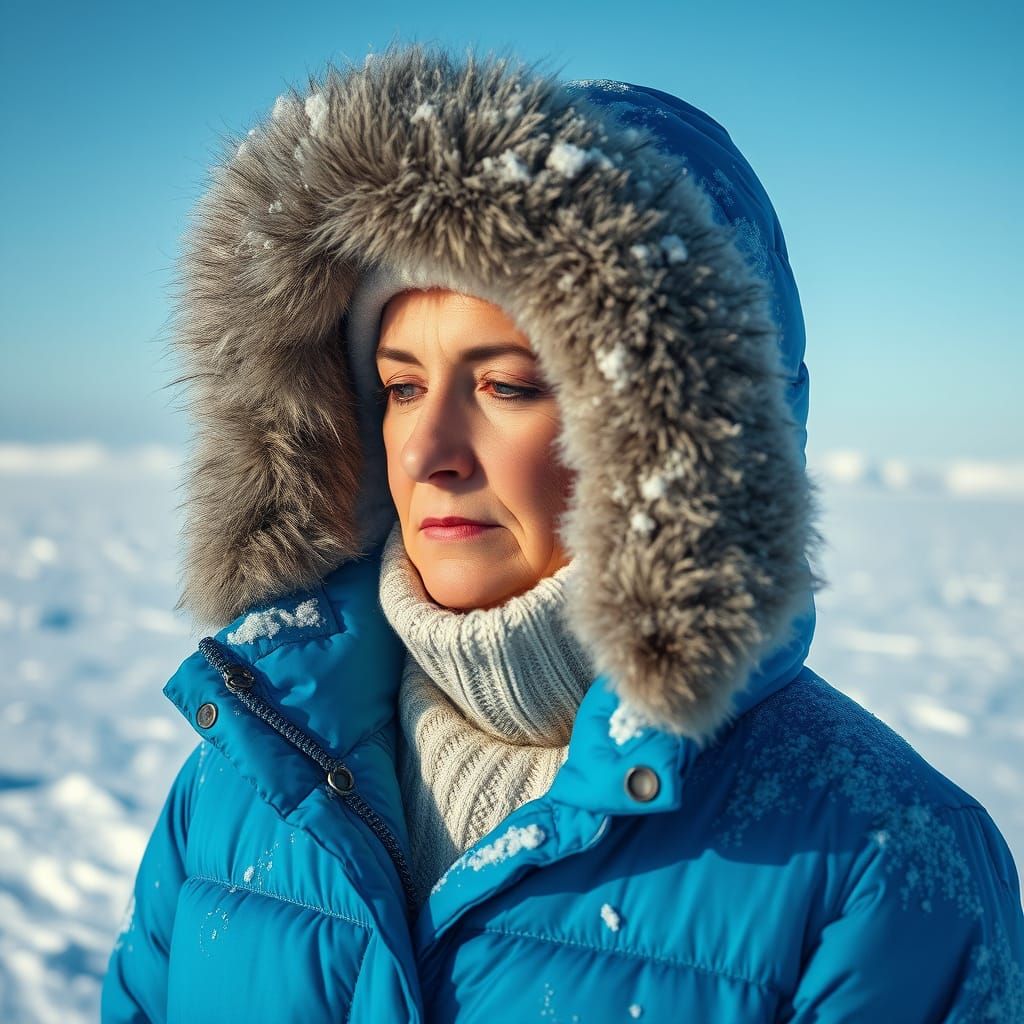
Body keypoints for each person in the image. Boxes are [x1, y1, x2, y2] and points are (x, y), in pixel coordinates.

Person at [100, 40, 1024, 1023]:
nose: (427, 452)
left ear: (665, 436)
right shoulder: (243, 784)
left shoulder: (881, 860)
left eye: (505, 384)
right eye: (402, 385)